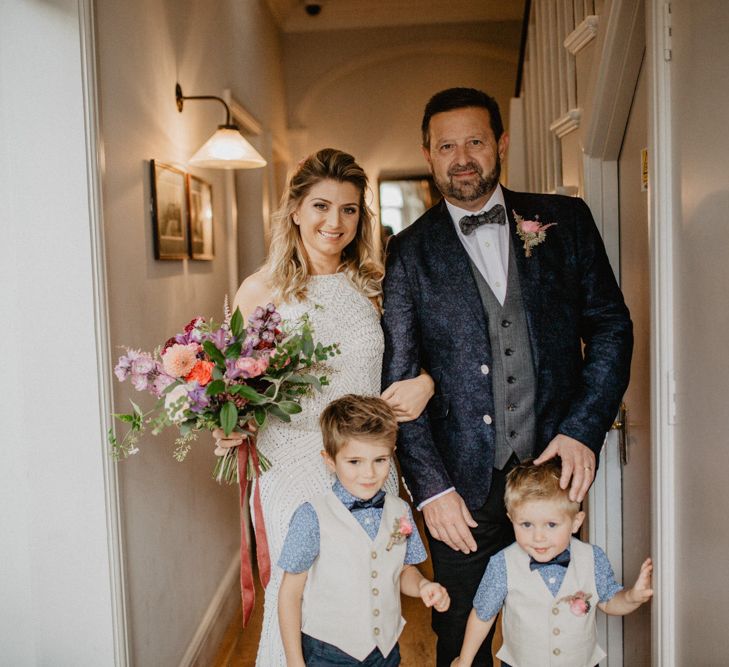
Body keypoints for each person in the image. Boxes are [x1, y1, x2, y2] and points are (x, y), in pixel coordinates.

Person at [381, 87, 633, 665]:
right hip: (461, 488)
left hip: (553, 475)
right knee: (457, 640)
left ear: (501, 143)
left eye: (474, 141)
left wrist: (582, 428)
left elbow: (611, 329)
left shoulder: (566, 221)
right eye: (447, 145)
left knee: (555, 625)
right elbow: (398, 386)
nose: (461, 157)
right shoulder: (409, 252)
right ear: (428, 154)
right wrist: (431, 489)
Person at [219, 148, 435, 665]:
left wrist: (425, 383)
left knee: (369, 585)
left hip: (367, 459)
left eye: (348, 209)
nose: (333, 222)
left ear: (361, 216)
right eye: (320, 206)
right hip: (291, 459)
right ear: (294, 210)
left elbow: (422, 361)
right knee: (302, 590)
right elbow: (232, 385)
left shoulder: (377, 287)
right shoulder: (259, 290)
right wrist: (225, 425)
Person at [278, 395, 450, 666]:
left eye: (380, 460)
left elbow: (403, 569)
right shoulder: (312, 516)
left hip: (384, 649)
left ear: (392, 453)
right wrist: (294, 661)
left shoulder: (400, 511)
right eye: (354, 462)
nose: (369, 473)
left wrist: (423, 585)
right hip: (328, 652)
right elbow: (290, 593)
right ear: (330, 460)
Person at [452, 460, 653, 667]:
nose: (538, 537)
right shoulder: (503, 564)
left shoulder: (592, 558)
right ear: (511, 519)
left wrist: (632, 597)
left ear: (576, 522)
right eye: (526, 524)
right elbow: (483, 614)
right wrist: (465, 661)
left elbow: (609, 601)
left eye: (551, 524)